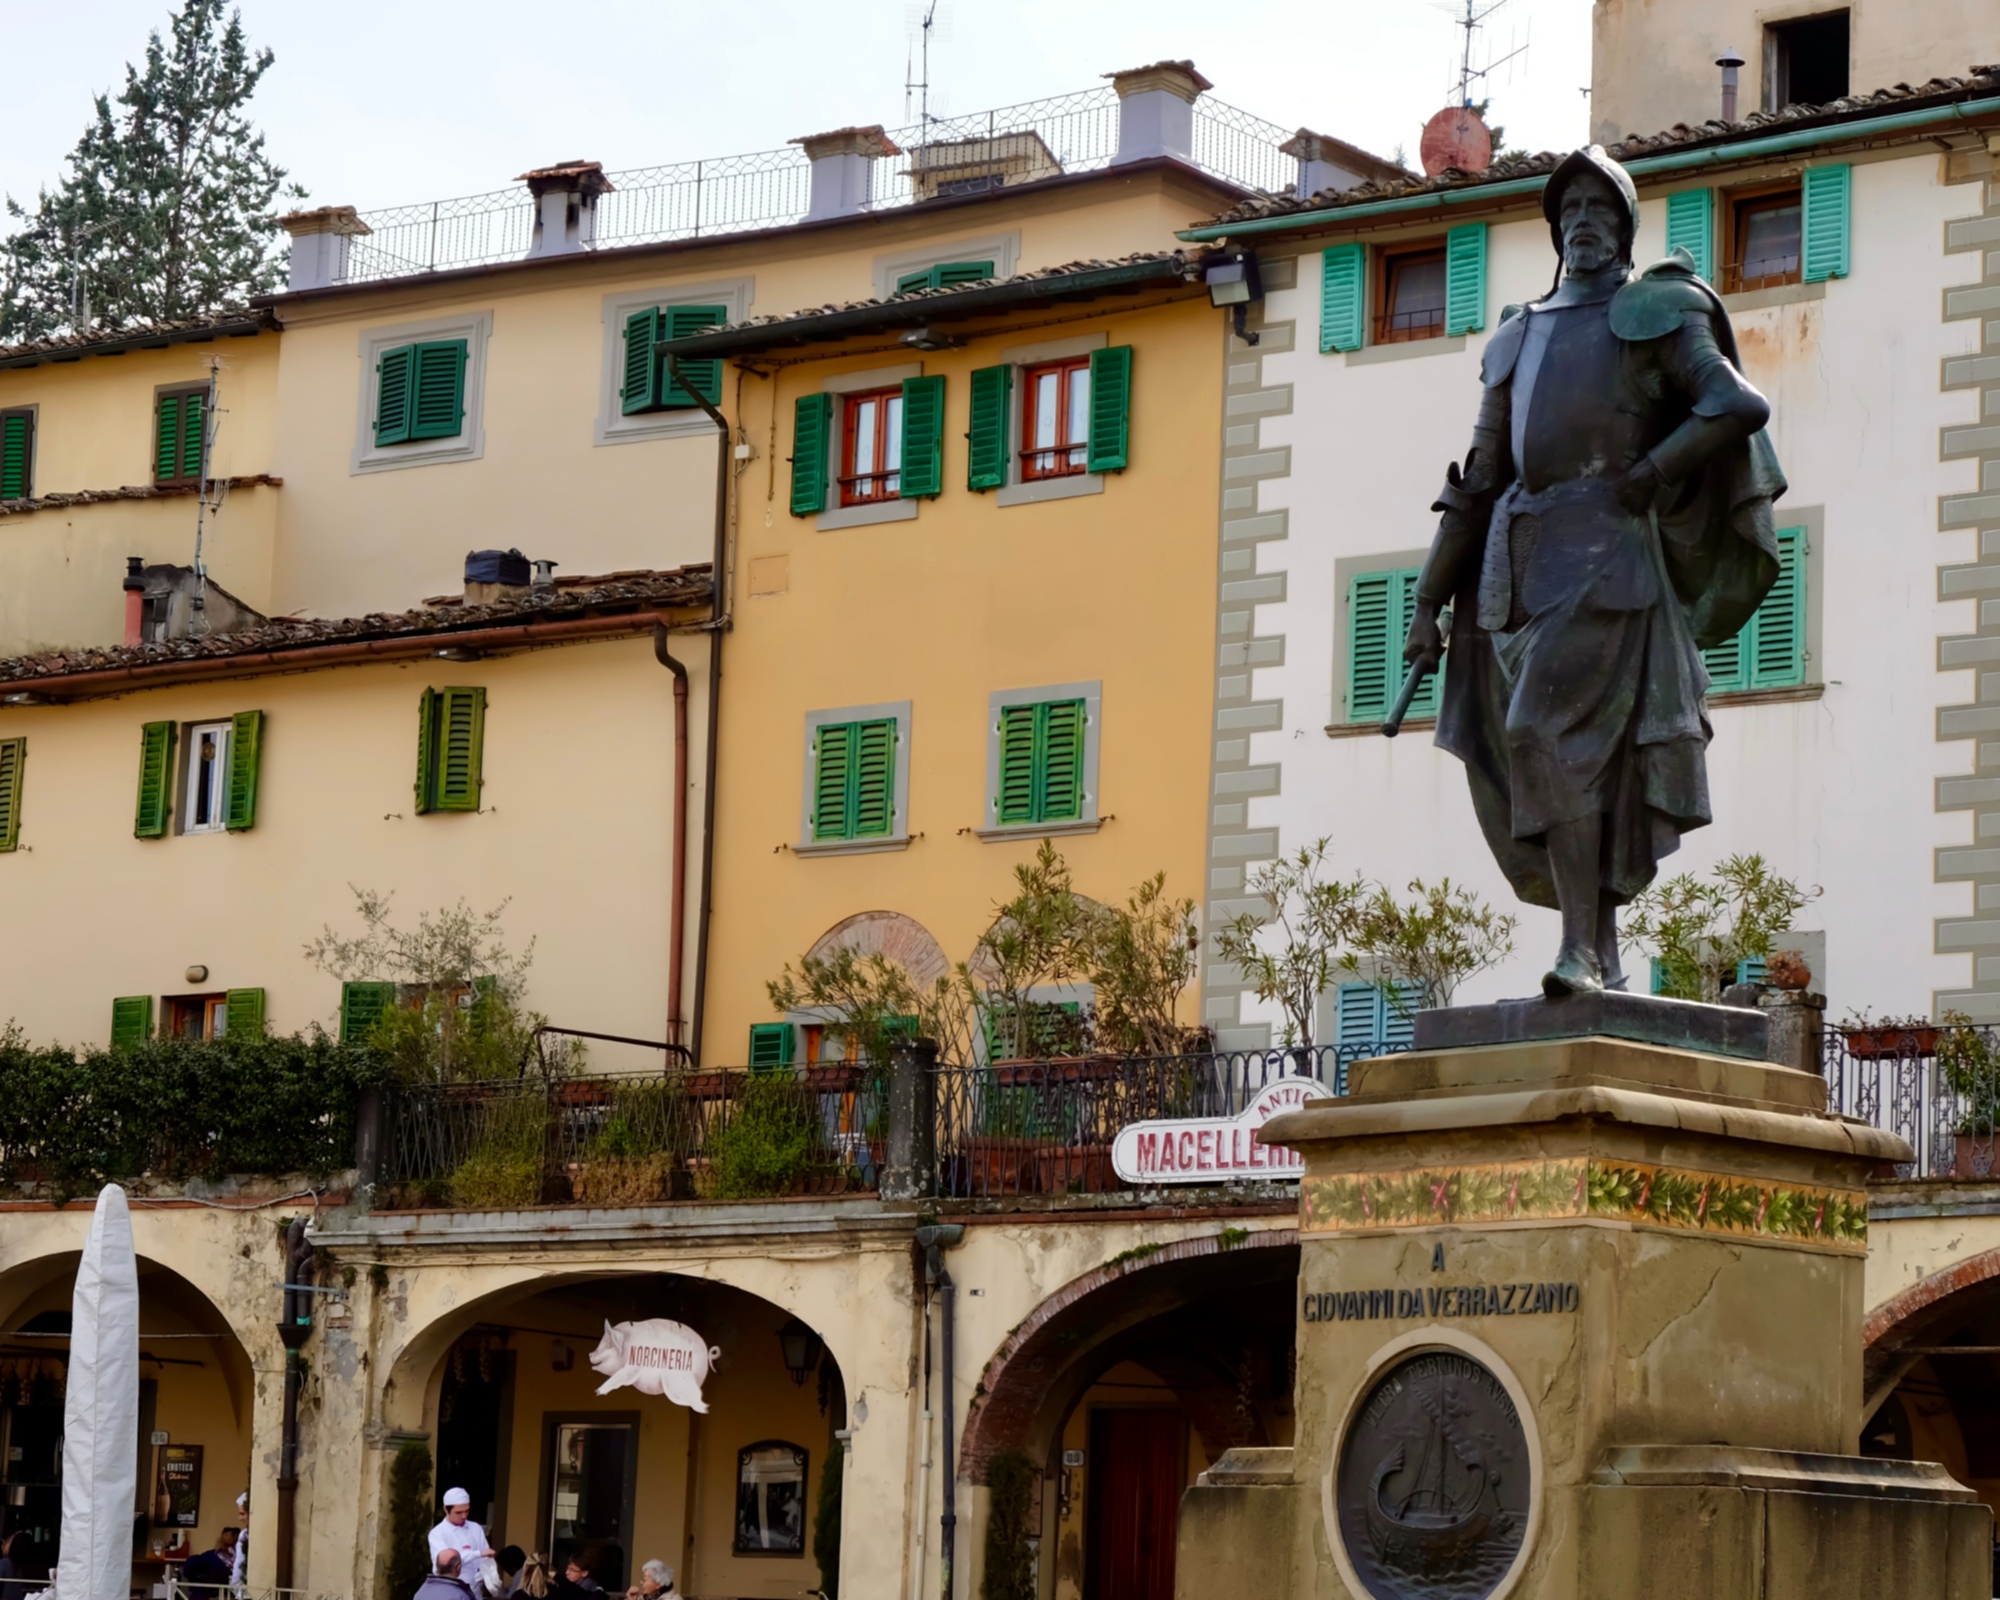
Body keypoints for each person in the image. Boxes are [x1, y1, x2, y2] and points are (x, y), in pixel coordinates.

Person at [1403, 143, 1784, 996]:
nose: (1582, 224)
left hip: (1610, 558)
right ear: (1552, 229)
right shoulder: (1515, 334)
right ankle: (1600, 958)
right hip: (1519, 566)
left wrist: (1650, 474)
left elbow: (1735, 402)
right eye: (1568, 212)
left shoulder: (1656, 311)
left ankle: (1578, 949)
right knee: (1568, 763)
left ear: (1625, 227)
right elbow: (1478, 478)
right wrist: (1427, 603)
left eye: (1599, 211)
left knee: (1542, 734)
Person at [428, 1489, 497, 1596]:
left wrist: (489, 1578)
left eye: (467, 1511)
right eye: (459, 1512)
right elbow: (446, 1563)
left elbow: (485, 1558)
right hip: (450, 1592)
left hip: (476, 1592)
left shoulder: (476, 1528)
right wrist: (477, 1553)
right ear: (446, 1509)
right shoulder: (437, 1533)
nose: (464, 1516)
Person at [230, 1492, 249, 1589]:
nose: (240, 1518)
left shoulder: (245, 1535)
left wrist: (235, 1586)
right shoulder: (245, 1534)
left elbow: (239, 1564)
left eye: (242, 1514)